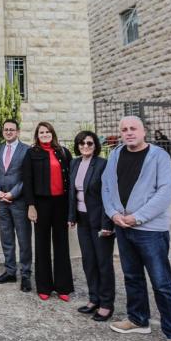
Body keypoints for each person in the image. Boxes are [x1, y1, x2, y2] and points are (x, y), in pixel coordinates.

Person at [102, 116, 171, 341]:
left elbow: (164, 193)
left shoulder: (159, 156)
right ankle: (138, 319)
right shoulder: (115, 154)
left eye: (133, 128)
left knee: (162, 283)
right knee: (132, 276)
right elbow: (106, 186)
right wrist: (113, 214)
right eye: (124, 129)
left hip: (150, 231)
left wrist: (137, 218)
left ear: (143, 131)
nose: (128, 133)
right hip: (122, 226)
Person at [22, 121, 73, 301]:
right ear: (37, 135)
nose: (45, 134)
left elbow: (71, 181)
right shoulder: (31, 153)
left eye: (47, 131)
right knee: (42, 244)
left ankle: (63, 287)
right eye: (41, 132)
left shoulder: (63, 152)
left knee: (62, 244)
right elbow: (27, 181)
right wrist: (31, 206)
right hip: (40, 204)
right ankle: (44, 286)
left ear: (53, 133)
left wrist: (72, 209)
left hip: (61, 204)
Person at [69, 130, 113, 321]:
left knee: (103, 263)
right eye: (82, 143)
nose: (85, 146)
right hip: (83, 220)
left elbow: (109, 195)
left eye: (89, 143)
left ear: (95, 146)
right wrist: (71, 216)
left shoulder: (103, 164)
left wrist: (107, 224)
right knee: (88, 261)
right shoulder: (74, 163)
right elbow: (72, 192)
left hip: (100, 221)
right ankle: (94, 299)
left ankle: (106, 304)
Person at [0, 119, 32, 292]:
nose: (8, 132)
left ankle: (26, 274)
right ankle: (10, 271)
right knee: (6, 238)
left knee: (24, 240)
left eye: (12, 129)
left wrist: (13, 193)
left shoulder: (26, 150)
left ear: (18, 131)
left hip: (19, 201)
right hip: (2, 202)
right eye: (6, 129)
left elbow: (27, 177)